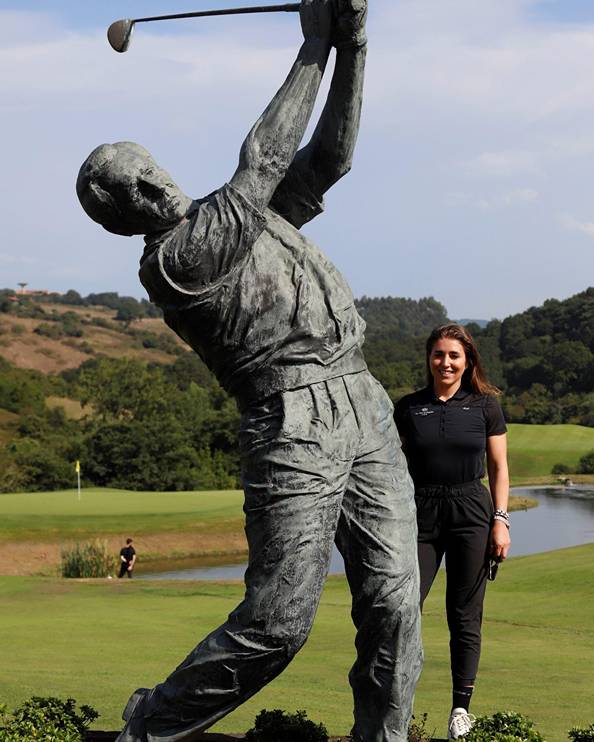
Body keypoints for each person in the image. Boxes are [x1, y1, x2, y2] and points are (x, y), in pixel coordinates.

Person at [76, 2, 422, 741]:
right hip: (292, 422)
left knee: (395, 601)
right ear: (120, 218)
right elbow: (264, 158)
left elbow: (328, 159)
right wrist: (318, 42)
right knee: (278, 623)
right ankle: (152, 723)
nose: (149, 186)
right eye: (128, 192)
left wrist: (355, 46)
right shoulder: (179, 257)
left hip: (362, 399)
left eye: (147, 169)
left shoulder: (239, 216)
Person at [393, 324, 511, 740]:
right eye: (439, 354)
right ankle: (394, 702)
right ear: (429, 358)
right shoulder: (408, 407)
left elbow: (498, 468)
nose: (446, 362)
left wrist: (501, 519)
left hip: (470, 512)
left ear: (468, 361)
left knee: (464, 616)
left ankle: (460, 709)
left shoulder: (485, 406)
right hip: (420, 513)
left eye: (454, 356)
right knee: (403, 609)